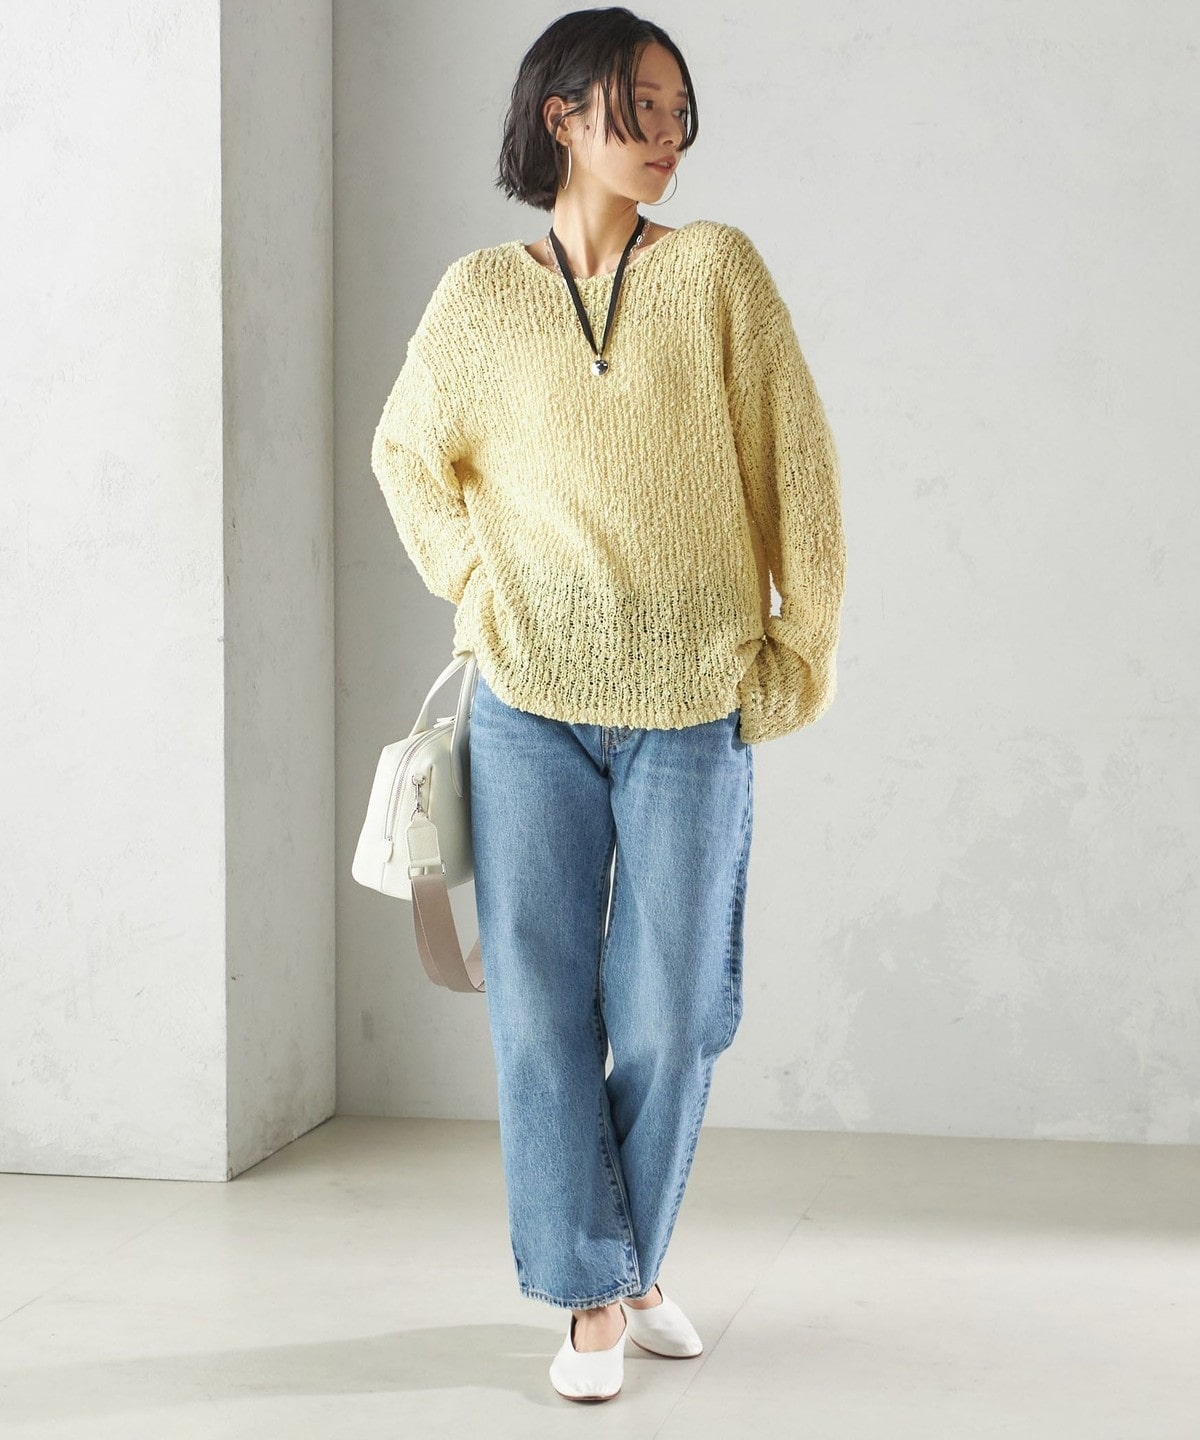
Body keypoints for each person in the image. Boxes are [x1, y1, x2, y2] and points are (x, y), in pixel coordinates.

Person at [370, 5, 846, 1404]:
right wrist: (478, 585)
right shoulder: (478, 297)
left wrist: (797, 651)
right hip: (527, 704)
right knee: (538, 1008)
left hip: (695, 699)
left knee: (674, 1007)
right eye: (640, 106)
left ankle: (622, 1256)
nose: (668, 134)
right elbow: (406, 455)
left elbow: (800, 474)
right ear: (563, 115)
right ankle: (595, 1294)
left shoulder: (718, 275)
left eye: (680, 110)